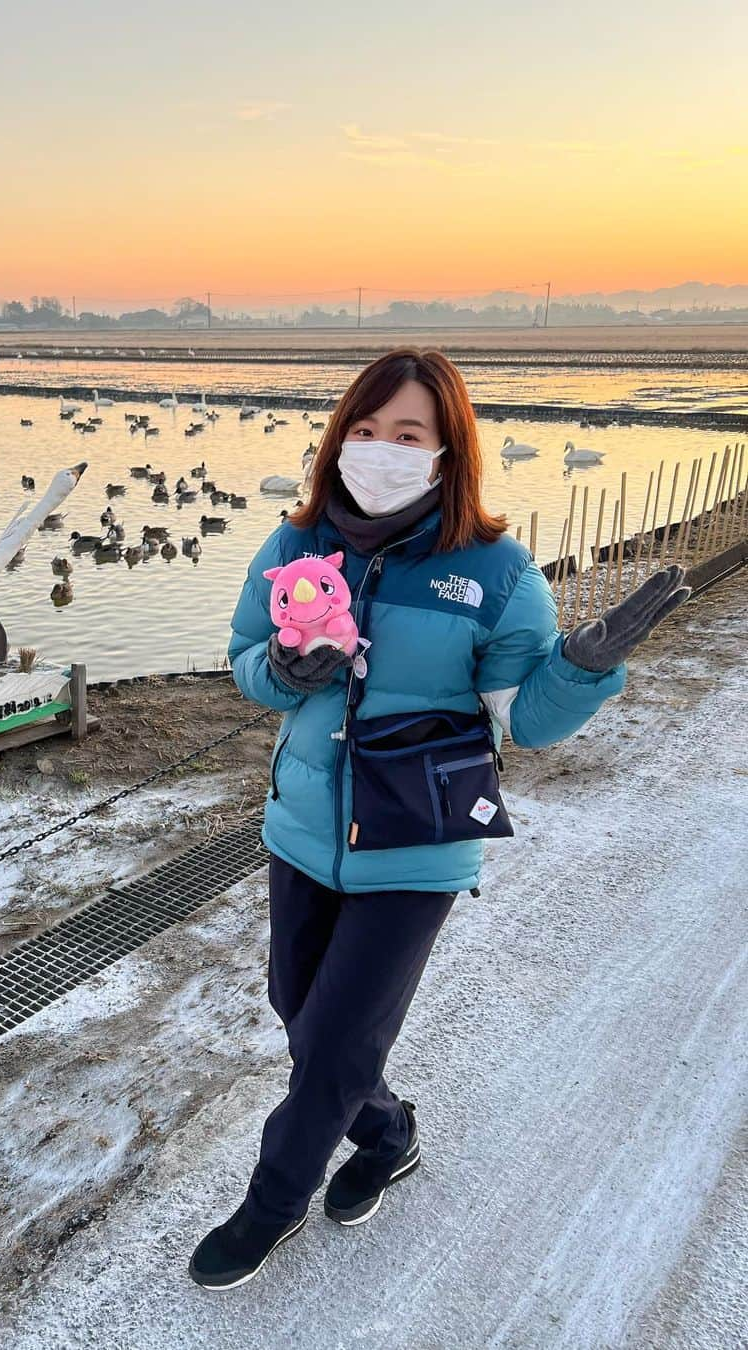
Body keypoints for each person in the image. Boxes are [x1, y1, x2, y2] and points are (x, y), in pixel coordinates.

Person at [188, 347, 690, 1291]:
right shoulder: (296, 546)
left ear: (446, 451)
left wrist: (581, 667)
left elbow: (527, 720)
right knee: (301, 1015)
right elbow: (248, 657)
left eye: (407, 434)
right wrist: (284, 674)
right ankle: (387, 1131)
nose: (381, 450)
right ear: (340, 441)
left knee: (336, 1045)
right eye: (365, 432)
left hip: (418, 843)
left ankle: (270, 1207)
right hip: (301, 829)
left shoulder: (494, 572)